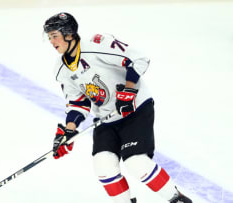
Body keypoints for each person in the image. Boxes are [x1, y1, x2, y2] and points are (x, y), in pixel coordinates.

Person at [43, 12, 192, 203]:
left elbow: (138, 59)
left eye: (54, 36)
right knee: (103, 166)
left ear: (69, 34)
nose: (51, 41)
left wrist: (128, 91)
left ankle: (177, 199)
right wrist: (68, 131)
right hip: (106, 119)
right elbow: (78, 102)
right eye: (49, 37)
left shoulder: (97, 44)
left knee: (136, 162)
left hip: (135, 110)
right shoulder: (60, 69)